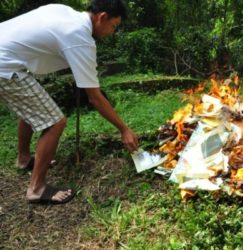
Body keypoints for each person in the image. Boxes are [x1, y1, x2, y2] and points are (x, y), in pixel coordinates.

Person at [0, 0, 139, 205]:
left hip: (8, 59)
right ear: (102, 17)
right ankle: (36, 189)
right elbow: (94, 97)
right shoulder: (80, 37)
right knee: (56, 122)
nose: (112, 32)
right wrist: (124, 129)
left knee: (30, 108)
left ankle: (23, 159)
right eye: (114, 26)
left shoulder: (64, 11)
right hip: (5, 66)